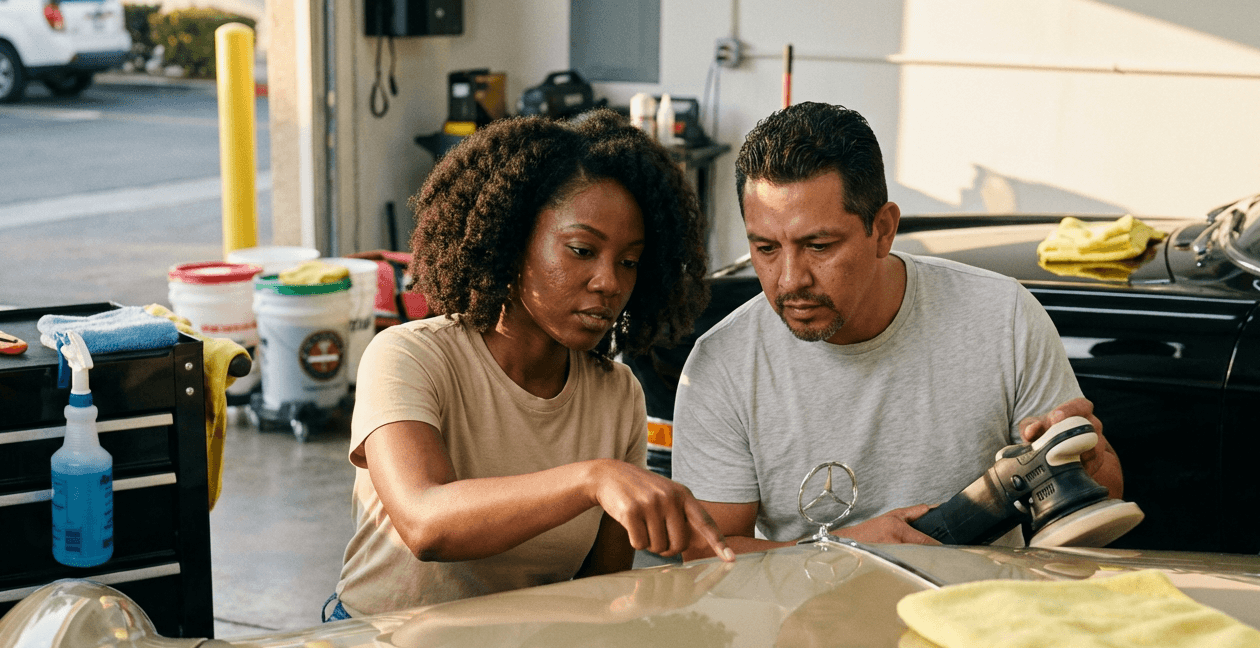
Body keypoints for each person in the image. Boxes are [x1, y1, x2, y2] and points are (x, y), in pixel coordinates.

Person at [327, 110, 734, 620]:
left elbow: (600, 592)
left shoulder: (617, 395)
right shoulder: (410, 357)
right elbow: (426, 524)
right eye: (582, 250)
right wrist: (591, 479)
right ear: (513, 241)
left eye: (629, 261)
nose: (609, 282)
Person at [673, 102, 1123, 559]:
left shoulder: (1002, 316)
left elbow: (1097, 498)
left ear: (883, 229)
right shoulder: (723, 363)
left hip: (983, 619)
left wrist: (1093, 462)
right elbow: (708, 555)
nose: (790, 280)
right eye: (766, 248)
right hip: (810, 624)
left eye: (819, 245)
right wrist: (841, 551)